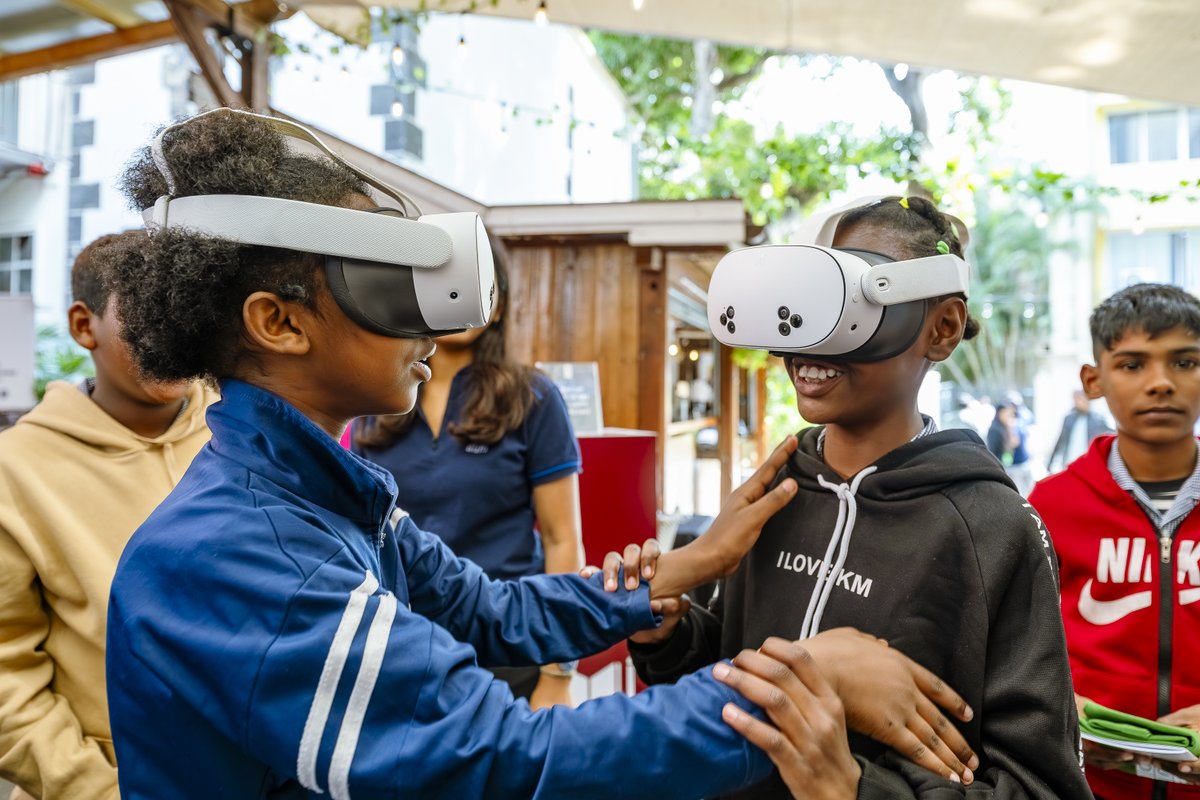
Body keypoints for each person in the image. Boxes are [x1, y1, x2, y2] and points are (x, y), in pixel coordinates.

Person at [102, 109, 978, 800]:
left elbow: (487, 609)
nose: (429, 321)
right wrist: (800, 681)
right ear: (279, 322)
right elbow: (502, 757)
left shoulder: (324, 496)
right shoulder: (244, 556)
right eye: (382, 284)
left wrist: (687, 565)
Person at [629, 195, 1090, 798]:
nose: (811, 342)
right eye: (804, 306)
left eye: (848, 308)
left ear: (942, 328)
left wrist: (855, 788)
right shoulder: (772, 490)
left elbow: (1040, 785)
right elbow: (723, 670)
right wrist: (669, 634)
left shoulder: (993, 528)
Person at [0, 231, 212, 800]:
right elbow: (6, 674)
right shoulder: (14, 469)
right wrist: (98, 789)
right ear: (82, 325)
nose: (173, 337)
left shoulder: (248, 435)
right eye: (147, 317)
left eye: (187, 314)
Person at [353, 245, 584, 708]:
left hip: (509, 645)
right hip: (403, 649)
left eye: (476, 285)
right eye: (443, 284)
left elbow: (563, 541)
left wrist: (558, 672)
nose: (457, 297)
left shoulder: (533, 397)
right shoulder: (376, 400)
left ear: (497, 304)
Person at [1029, 283, 1200, 798]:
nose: (1160, 383)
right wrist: (1061, 712)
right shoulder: (1051, 505)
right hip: (1087, 786)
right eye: (1132, 364)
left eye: (1185, 362)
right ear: (1094, 380)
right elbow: (1013, 649)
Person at [1047, 389, 1114, 472]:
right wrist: (1050, 463)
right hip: (1070, 461)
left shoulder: (1098, 420)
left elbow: (1110, 438)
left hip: (1088, 463)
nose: (1081, 402)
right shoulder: (1069, 419)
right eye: (1078, 400)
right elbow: (1060, 442)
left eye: (1083, 400)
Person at [986, 399, 1035, 495]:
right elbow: (993, 451)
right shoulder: (995, 429)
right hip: (1011, 467)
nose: (1009, 415)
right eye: (1006, 412)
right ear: (1000, 413)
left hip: (1023, 463)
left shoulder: (1014, 424)